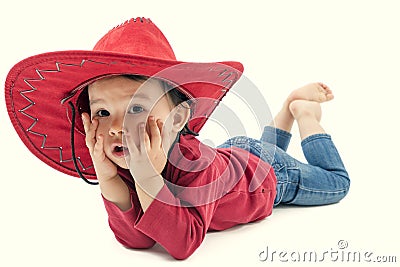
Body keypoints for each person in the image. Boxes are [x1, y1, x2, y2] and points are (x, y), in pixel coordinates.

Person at [5, 17, 350, 260]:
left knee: (337, 183)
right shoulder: (127, 160)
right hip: (239, 153)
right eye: (103, 112)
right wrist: (109, 180)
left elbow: (183, 243)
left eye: (137, 108)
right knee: (265, 149)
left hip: (270, 176)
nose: (117, 127)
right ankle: (288, 107)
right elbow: (137, 239)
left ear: (179, 117)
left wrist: (145, 175)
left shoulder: (198, 167)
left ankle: (304, 114)